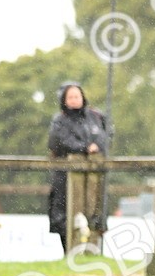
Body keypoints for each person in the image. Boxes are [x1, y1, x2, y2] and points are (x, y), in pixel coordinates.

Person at [47, 81, 111, 254]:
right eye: (70, 97)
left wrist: (95, 147)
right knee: (66, 216)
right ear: (64, 100)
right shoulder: (60, 120)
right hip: (66, 176)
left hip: (94, 175)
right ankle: (70, 252)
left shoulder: (96, 117)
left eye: (77, 95)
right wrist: (83, 147)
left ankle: (92, 252)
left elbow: (106, 136)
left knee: (95, 212)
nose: (75, 99)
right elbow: (59, 141)